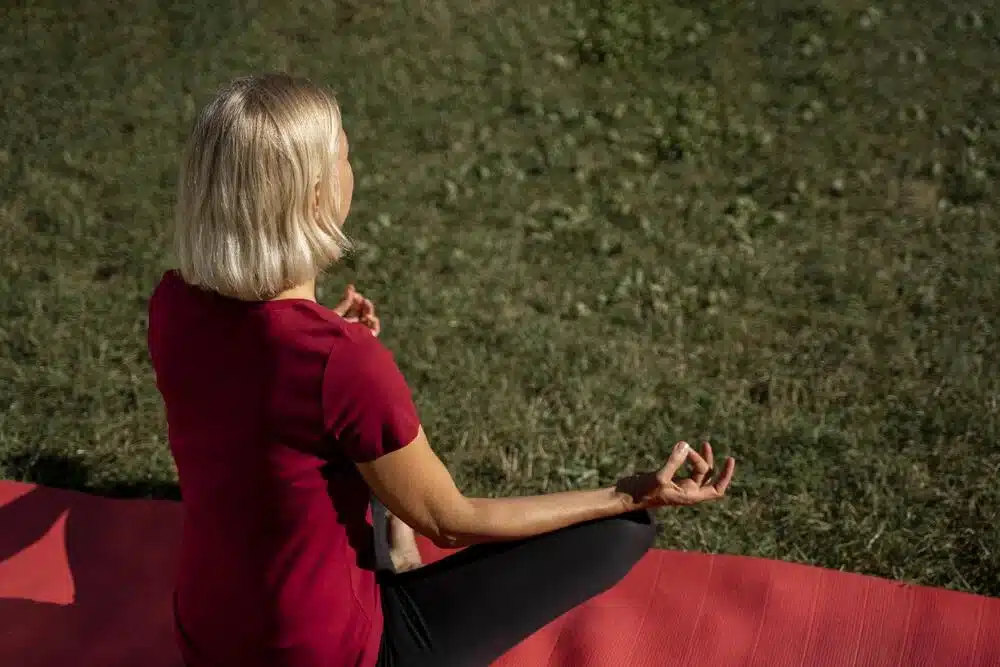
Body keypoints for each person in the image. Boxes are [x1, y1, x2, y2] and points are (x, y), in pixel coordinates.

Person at [147, 72, 737, 667]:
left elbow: (250, 385)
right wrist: (630, 492)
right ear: (318, 194)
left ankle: (394, 557)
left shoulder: (173, 304)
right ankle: (400, 565)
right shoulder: (338, 361)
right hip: (328, 655)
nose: (354, 169)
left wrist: (324, 328)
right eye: (345, 157)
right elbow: (451, 521)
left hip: (207, 640)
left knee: (343, 458)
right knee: (623, 533)